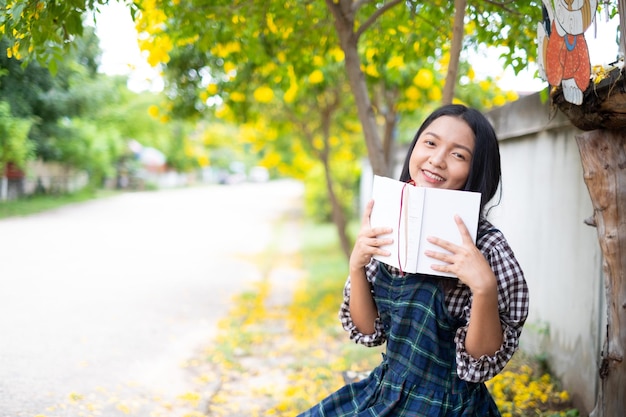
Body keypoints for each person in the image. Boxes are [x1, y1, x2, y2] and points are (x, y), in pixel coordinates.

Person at [297, 104, 529, 416]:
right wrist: (357, 265)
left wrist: (484, 287)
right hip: (387, 390)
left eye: (458, 154)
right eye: (430, 143)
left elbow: (482, 363)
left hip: (448, 406)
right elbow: (368, 332)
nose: (436, 160)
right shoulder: (390, 218)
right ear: (415, 147)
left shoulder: (487, 245)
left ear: (476, 171)